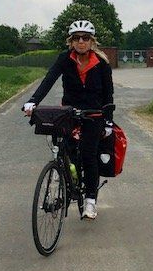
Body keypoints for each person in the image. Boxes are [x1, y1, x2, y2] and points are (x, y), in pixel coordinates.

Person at [22, 20, 114, 220]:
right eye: (76, 38)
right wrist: (33, 101)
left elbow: (108, 94)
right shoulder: (65, 58)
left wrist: (108, 120)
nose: (81, 41)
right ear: (71, 41)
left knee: (89, 155)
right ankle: (67, 179)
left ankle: (90, 201)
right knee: (67, 150)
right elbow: (49, 79)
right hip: (69, 113)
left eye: (85, 38)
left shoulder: (102, 63)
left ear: (92, 41)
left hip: (94, 115)